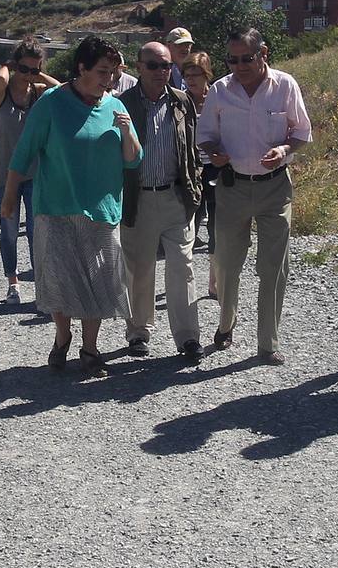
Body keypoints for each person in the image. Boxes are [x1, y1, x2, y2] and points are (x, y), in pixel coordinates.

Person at [0, 36, 141, 378]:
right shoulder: (51, 102)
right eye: (102, 71)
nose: (109, 79)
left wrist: (127, 134)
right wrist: (8, 196)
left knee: (99, 281)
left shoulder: (115, 106)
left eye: (114, 71)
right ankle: (62, 336)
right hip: (56, 207)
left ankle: (90, 350)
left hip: (102, 211)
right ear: (82, 68)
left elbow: (135, 160)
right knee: (60, 280)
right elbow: (24, 152)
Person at [197, 27, 313, 365]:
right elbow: (205, 136)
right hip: (232, 186)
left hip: (275, 187)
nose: (239, 66)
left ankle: (267, 343)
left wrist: (284, 148)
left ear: (263, 52)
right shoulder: (220, 90)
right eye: (232, 60)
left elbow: (302, 132)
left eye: (246, 58)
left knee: (273, 267)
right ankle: (226, 323)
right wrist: (214, 152)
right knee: (228, 263)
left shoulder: (285, 85)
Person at [117, 41, 203, 360]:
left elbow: (191, 148)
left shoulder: (182, 102)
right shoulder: (122, 104)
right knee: (140, 269)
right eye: (153, 65)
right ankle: (139, 332)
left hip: (175, 197)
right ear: (139, 67)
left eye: (166, 66)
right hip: (138, 200)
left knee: (183, 268)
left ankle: (187, 337)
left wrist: (194, 189)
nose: (160, 71)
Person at [0, 39, 53, 305]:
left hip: (35, 174)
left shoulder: (37, 92)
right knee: (10, 231)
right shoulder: (0, 96)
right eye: (23, 69)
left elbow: (61, 90)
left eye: (34, 70)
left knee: (38, 231)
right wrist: (7, 65)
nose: (28, 75)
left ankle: (41, 283)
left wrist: (37, 75)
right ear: (14, 66)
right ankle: (13, 283)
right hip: (4, 176)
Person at [180, 51, 217, 291]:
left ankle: (214, 281)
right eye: (187, 75)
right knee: (187, 225)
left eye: (196, 75)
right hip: (189, 170)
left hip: (215, 169)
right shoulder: (179, 100)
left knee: (216, 225)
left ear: (207, 75)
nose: (191, 80)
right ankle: (186, 280)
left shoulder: (219, 97)